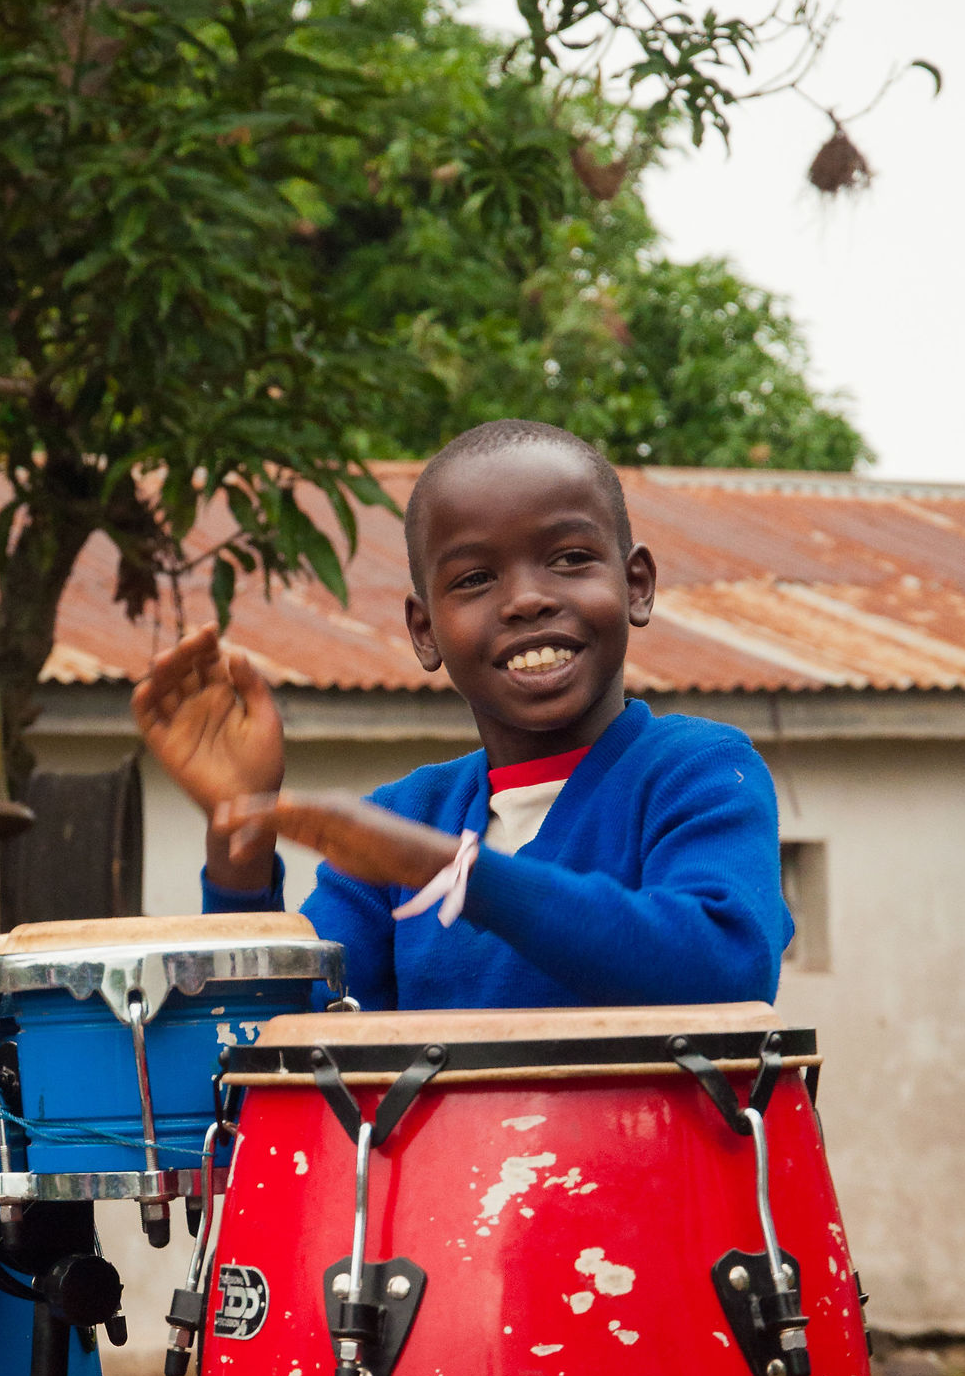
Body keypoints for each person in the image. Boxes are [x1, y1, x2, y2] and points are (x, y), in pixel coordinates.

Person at [131, 418, 791, 1010]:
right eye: (475, 579)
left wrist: (449, 872)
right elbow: (280, 1040)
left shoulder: (699, 772)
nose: (528, 599)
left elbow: (724, 969)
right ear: (425, 631)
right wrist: (240, 833)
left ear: (636, 586)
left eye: (570, 559)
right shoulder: (403, 820)